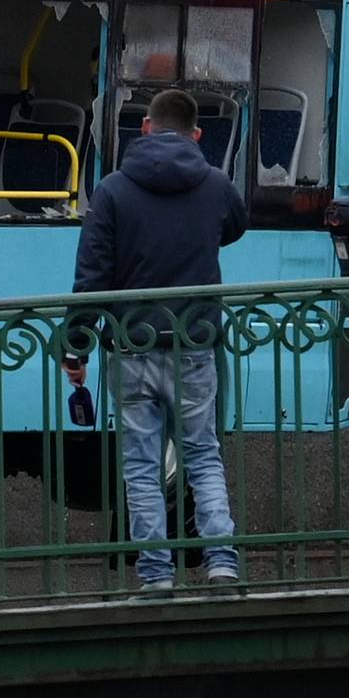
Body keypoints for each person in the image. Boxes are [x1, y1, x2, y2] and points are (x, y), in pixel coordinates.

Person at [67, 88, 247, 595]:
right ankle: (221, 565)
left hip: (131, 345)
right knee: (203, 455)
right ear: (197, 135)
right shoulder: (215, 184)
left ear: (145, 127)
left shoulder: (113, 190)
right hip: (194, 343)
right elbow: (236, 225)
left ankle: (156, 576)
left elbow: (92, 277)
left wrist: (75, 347)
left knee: (141, 467)